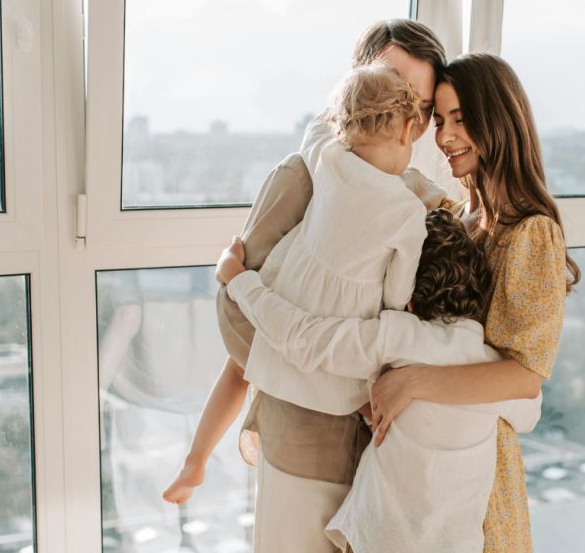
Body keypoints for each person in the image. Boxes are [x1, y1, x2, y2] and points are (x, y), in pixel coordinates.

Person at [165, 20, 452, 552]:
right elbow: (236, 309)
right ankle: (194, 461)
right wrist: (325, 356)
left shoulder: (410, 199)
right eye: (392, 84)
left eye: (419, 102)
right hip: (304, 437)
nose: (403, 110)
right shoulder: (305, 176)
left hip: (379, 444)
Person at [219, 208, 542, 553]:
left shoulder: (397, 338)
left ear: (408, 294)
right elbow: (530, 414)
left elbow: (303, 338)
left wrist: (238, 280)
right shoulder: (491, 372)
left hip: (380, 541)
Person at [369, 52, 581, 553]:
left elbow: (525, 375)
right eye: (439, 120)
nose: (443, 137)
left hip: (480, 473)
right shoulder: (461, 219)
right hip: (427, 460)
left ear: (500, 120)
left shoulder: (531, 233)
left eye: (461, 120)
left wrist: (412, 382)